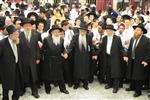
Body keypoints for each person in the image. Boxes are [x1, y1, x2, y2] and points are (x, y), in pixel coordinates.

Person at [65, 25, 95, 90]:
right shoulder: (75, 36)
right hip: (77, 56)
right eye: (81, 30)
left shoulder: (88, 37)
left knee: (85, 70)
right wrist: (67, 53)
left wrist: (93, 54)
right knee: (77, 70)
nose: (82, 32)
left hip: (86, 56)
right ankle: (76, 84)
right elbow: (71, 46)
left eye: (84, 31)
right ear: (79, 30)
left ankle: (85, 84)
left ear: (86, 32)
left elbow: (91, 46)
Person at [124, 24, 150, 97]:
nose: (136, 31)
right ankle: (132, 87)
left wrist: (146, 61)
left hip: (140, 61)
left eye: (138, 30)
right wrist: (126, 55)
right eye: (135, 30)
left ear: (142, 32)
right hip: (132, 59)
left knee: (138, 76)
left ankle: (138, 92)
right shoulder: (133, 38)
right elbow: (129, 49)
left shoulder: (147, 40)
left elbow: (149, 52)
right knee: (132, 73)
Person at [42, 25, 69, 94]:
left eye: (58, 32)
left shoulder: (61, 39)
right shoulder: (46, 39)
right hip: (49, 61)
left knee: (60, 75)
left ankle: (63, 89)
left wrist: (65, 52)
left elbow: (63, 49)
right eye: (55, 32)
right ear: (52, 33)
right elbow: (43, 50)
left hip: (58, 60)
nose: (57, 33)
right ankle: (47, 89)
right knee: (48, 75)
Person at [0, 25, 23, 100]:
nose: (17, 35)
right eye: (15, 34)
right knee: (6, 86)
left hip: (17, 67)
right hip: (6, 69)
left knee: (17, 85)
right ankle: (5, 98)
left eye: (18, 33)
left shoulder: (17, 41)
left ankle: (15, 98)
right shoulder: (2, 43)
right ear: (10, 34)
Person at [19, 18, 40, 98]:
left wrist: (38, 57)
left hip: (32, 59)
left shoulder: (35, 35)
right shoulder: (19, 35)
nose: (27, 27)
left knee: (33, 75)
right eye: (26, 26)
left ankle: (34, 91)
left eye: (29, 26)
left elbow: (37, 48)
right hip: (22, 59)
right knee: (23, 74)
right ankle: (22, 89)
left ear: (31, 26)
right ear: (23, 27)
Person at [101, 25, 125, 93]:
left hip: (115, 57)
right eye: (107, 30)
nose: (108, 31)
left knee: (115, 72)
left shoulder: (117, 38)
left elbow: (121, 48)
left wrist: (124, 55)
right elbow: (102, 48)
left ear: (112, 31)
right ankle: (109, 84)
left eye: (109, 30)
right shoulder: (104, 38)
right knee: (108, 70)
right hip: (107, 56)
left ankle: (115, 87)